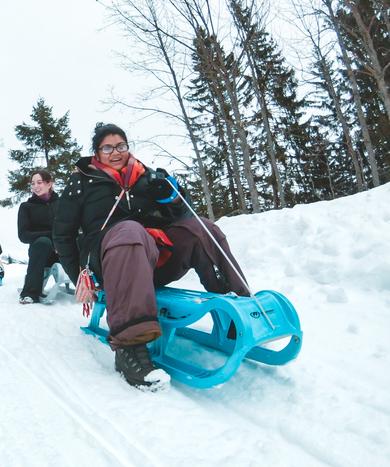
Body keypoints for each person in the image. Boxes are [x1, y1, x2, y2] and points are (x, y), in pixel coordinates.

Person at [53, 123, 250, 392]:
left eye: (120, 145)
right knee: (130, 231)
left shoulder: (146, 177)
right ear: (96, 153)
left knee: (201, 228)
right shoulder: (82, 182)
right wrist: (80, 278)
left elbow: (183, 218)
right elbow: (62, 234)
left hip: (153, 257)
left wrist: (174, 199)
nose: (115, 152)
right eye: (107, 147)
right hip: (107, 258)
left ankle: (239, 309)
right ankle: (129, 348)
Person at [17, 169, 60, 304]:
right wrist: (48, 236)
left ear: (49, 184)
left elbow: (70, 227)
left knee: (82, 239)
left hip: (63, 251)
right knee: (43, 242)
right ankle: (30, 293)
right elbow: (23, 235)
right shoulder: (26, 207)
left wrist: (61, 243)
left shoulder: (62, 204)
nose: (36, 186)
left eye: (39, 182)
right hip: (41, 252)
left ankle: (91, 287)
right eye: (33, 183)